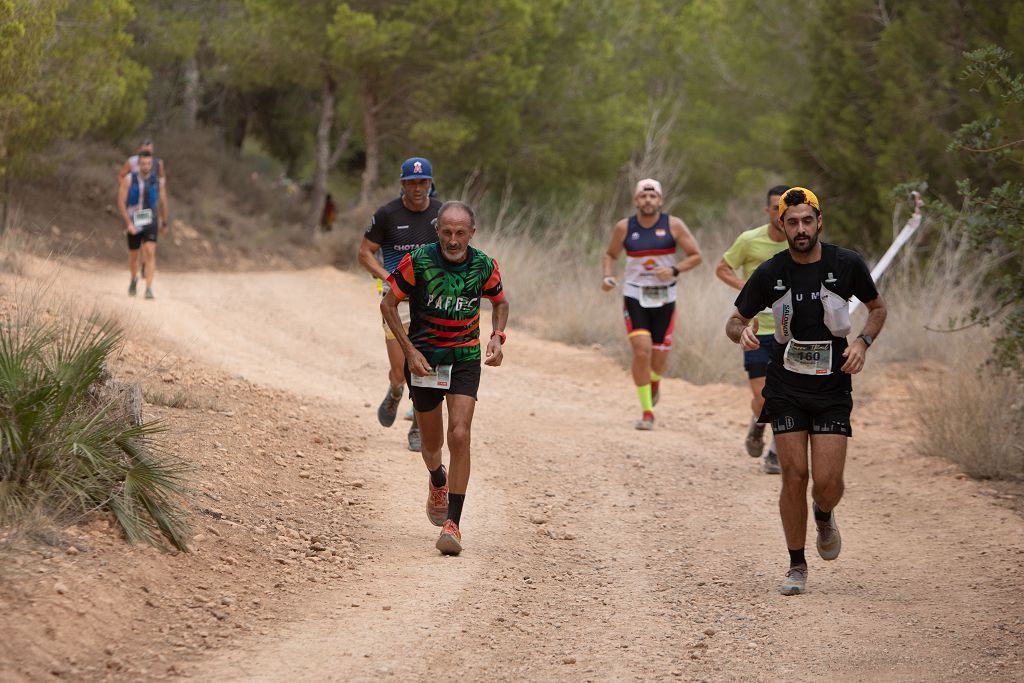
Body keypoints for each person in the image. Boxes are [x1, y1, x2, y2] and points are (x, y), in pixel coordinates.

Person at [725, 187, 886, 596]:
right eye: (791, 221)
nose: (799, 229)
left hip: (833, 386)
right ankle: (797, 565)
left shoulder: (846, 264)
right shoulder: (771, 272)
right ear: (782, 224)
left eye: (806, 221)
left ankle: (824, 513)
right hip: (786, 385)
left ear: (819, 222)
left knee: (828, 483)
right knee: (793, 475)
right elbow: (735, 318)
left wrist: (861, 343)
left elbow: (877, 308)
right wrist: (741, 332)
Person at [381, 201, 509, 555]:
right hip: (425, 360)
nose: (453, 240)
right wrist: (409, 351)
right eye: (447, 233)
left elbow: (500, 302)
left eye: (460, 233)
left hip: (465, 358)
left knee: (460, 434)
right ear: (438, 231)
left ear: (472, 233)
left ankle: (453, 523)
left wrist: (498, 337)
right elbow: (388, 304)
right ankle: (437, 478)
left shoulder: (483, 265)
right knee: (432, 445)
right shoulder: (419, 261)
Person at [601, 178, 701, 430]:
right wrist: (607, 275)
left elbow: (696, 255)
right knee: (641, 351)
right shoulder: (624, 228)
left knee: (659, 359)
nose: (648, 200)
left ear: (660, 200)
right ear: (636, 200)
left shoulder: (674, 225)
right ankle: (647, 412)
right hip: (635, 296)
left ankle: (655, 381)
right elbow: (610, 254)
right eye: (643, 196)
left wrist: (675, 269)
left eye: (652, 196)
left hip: (665, 297)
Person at [358, 157, 442, 452]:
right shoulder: (387, 215)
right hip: (397, 301)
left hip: (433, 301)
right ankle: (395, 391)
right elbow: (365, 253)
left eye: (423, 182)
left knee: (428, 366)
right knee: (400, 371)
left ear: (430, 183)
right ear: (402, 184)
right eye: (411, 182)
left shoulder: (441, 214)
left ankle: (418, 426)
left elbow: (457, 248)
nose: (417, 188)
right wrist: (389, 277)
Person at [716, 185, 791, 473]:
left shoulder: (800, 242)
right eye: (775, 208)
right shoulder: (750, 241)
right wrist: (747, 290)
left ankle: (774, 452)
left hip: (791, 331)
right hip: (756, 329)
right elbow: (722, 267)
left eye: (785, 209)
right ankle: (758, 422)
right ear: (767, 210)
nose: (779, 213)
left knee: (785, 395)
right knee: (763, 397)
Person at [117, 151, 168, 299]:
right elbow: (121, 202)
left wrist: (164, 222)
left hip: (150, 218)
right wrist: (128, 223)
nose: (146, 166)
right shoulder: (129, 179)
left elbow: (163, 202)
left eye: (148, 164)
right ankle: (133, 278)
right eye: (143, 163)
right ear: (138, 164)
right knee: (134, 255)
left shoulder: (157, 181)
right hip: (133, 219)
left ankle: (149, 288)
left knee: (150, 251)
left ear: (152, 164)